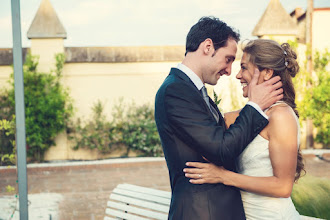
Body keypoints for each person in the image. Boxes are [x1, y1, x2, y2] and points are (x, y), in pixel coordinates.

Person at [155, 17, 283, 220]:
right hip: (203, 212)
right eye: (228, 59)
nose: (229, 70)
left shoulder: (192, 90)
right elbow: (221, 150)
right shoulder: (176, 90)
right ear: (208, 47)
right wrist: (255, 106)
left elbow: (215, 145)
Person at [184, 39, 304, 219]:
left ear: (267, 73)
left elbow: (283, 187)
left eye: (244, 68)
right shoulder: (239, 117)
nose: (238, 75)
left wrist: (223, 176)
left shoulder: (281, 117)